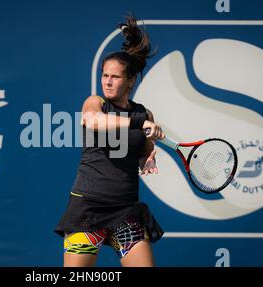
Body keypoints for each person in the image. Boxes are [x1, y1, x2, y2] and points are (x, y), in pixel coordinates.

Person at [55, 14, 165, 267]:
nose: (107, 81)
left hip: (125, 210)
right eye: (105, 75)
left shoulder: (143, 113)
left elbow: (142, 152)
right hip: (88, 208)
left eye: (114, 77)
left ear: (130, 81)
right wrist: (138, 124)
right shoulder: (96, 103)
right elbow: (93, 121)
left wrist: (147, 157)